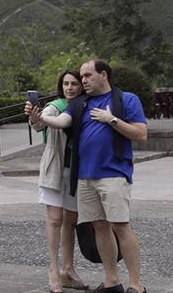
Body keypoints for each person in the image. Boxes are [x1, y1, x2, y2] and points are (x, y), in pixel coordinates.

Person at [29, 60, 148, 293]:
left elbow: (141, 134)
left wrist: (111, 119)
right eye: (81, 76)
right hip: (84, 176)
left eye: (87, 75)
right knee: (99, 226)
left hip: (113, 173)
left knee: (121, 226)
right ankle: (112, 281)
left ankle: (136, 284)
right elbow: (61, 121)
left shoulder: (126, 99)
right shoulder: (81, 103)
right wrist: (41, 118)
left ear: (103, 75)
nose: (83, 80)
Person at [31, 69, 87, 293]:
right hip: (55, 167)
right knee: (55, 219)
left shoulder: (85, 105)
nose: (70, 88)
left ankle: (68, 268)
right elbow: (40, 124)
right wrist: (35, 117)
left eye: (74, 83)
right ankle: (53, 269)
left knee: (71, 221)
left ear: (81, 86)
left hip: (76, 169)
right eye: (66, 84)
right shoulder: (55, 106)